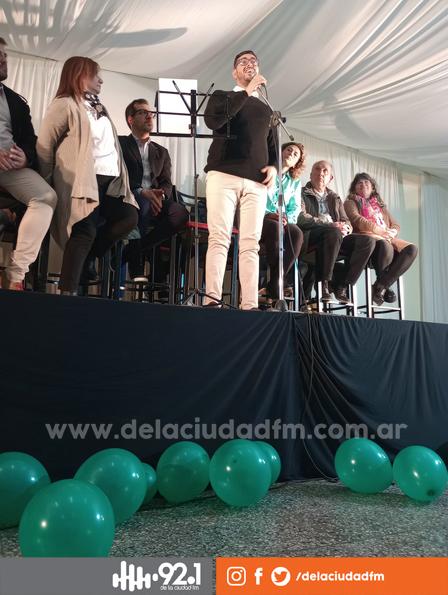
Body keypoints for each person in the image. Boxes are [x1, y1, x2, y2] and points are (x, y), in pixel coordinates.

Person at [37, 56, 138, 295]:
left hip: (110, 183)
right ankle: (67, 292)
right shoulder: (64, 104)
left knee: (129, 217)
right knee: (84, 231)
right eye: (95, 76)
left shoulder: (98, 106)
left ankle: (89, 258)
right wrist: (47, 183)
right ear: (79, 76)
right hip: (82, 181)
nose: (100, 80)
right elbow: (45, 146)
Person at [203, 50, 277, 310]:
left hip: (256, 182)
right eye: (243, 62)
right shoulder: (223, 96)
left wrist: (274, 167)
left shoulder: (266, 108)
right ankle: (212, 300)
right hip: (223, 173)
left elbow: (272, 144)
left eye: (254, 61)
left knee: (250, 244)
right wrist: (246, 92)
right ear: (234, 72)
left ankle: (249, 304)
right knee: (219, 237)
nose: (250, 64)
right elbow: (214, 121)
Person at [0, 37, 57, 290]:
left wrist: (25, 156)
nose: (3, 60)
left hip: (9, 167)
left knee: (46, 197)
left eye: (5, 55)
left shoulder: (15, 101)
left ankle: (16, 273)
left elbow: (30, 141)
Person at [119, 98, 188, 280]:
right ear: (130, 119)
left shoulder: (161, 151)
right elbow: (117, 175)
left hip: (156, 198)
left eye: (151, 113)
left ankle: (132, 252)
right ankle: (136, 268)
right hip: (130, 196)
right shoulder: (120, 144)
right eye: (143, 112)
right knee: (142, 203)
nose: (149, 116)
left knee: (180, 213)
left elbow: (166, 182)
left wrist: (160, 195)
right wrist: (141, 192)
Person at [299, 161, 376, 303]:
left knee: (368, 241)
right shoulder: (301, 192)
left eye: (325, 171)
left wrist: (346, 228)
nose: (321, 173)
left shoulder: (335, 197)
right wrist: (328, 224)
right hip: (311, 236)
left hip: (335, 237)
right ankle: (324, 284)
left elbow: (346, 221)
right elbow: (301, 217)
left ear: (330, 178)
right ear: (310, 174)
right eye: (317, 169)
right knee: (333, 232)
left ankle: (343, 285)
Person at [345, 172, 418, 305]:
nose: (363, 184)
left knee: (412, 249)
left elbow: (395, 224)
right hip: (367, 237)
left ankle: (381, 285)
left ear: (372, 187)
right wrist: (379, 230)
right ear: (354, 188)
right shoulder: (350, 202)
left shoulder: (380, 206)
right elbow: (357, 219)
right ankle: (383, 286)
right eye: (359, 183)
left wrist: (392, 231)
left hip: (386, 237)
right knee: (385, 244)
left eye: (366, 182)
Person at [260, 142, 305, 300]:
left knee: (297, 233)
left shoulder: (295, 182)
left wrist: (287, 219)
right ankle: (277, 282)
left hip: (282, 220)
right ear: (280, 152)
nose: (291, 154)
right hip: (260, 217)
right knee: (274, 226)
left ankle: (275, 281)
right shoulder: (265, 169)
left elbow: (295, 207)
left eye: (295, 154)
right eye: (289, 150)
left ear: (296, 163)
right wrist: (268, 214)